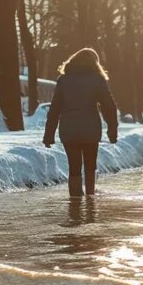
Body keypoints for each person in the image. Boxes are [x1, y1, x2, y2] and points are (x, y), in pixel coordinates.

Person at [43, 47, 118, 197]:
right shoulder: (97, 79)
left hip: (69, 130)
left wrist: (48, 134)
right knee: (90, 165)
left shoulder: (64, 80)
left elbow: (55, 109)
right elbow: (108, 106)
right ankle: (90, 201)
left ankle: (75, 203)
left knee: (74, 167)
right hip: (91, 129)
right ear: (95, 63)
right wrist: (112, 130)